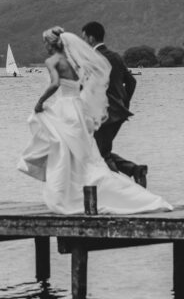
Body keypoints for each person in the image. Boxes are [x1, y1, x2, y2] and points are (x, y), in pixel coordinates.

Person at [17, 26, 172, 215]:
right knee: (88, 154)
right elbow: (92, 82)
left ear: (51, 43)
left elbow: (56, 83)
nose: (44, 47)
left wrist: (40, 101)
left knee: (71, 153)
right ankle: (120, 184)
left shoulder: (53, 61)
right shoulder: (77, 61)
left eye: (45, 43)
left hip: (69, 109)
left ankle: (71, 192)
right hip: (80, 109)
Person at [81, 21, 146, 184]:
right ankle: (133, 170)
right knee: (101, 151)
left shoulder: (94, 59)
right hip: (118, 113)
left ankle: (124, 185)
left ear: (90, 38)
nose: (84, 42)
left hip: (103, 115)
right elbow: (131, 82)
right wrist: (124, 103)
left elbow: (87, 86)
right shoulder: (115, 56)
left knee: (99, 154)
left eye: (84, 38)